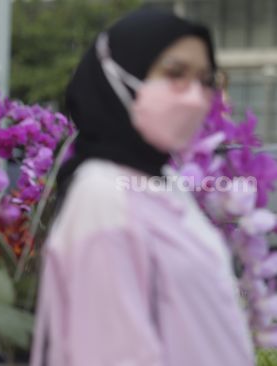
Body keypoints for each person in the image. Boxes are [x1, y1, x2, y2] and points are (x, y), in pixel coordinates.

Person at [31, 8, 253, 366]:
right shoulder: (103, 196)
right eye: (174, 73)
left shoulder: (160, 184)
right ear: (119, 72)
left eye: (205, 80)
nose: (195, 96)